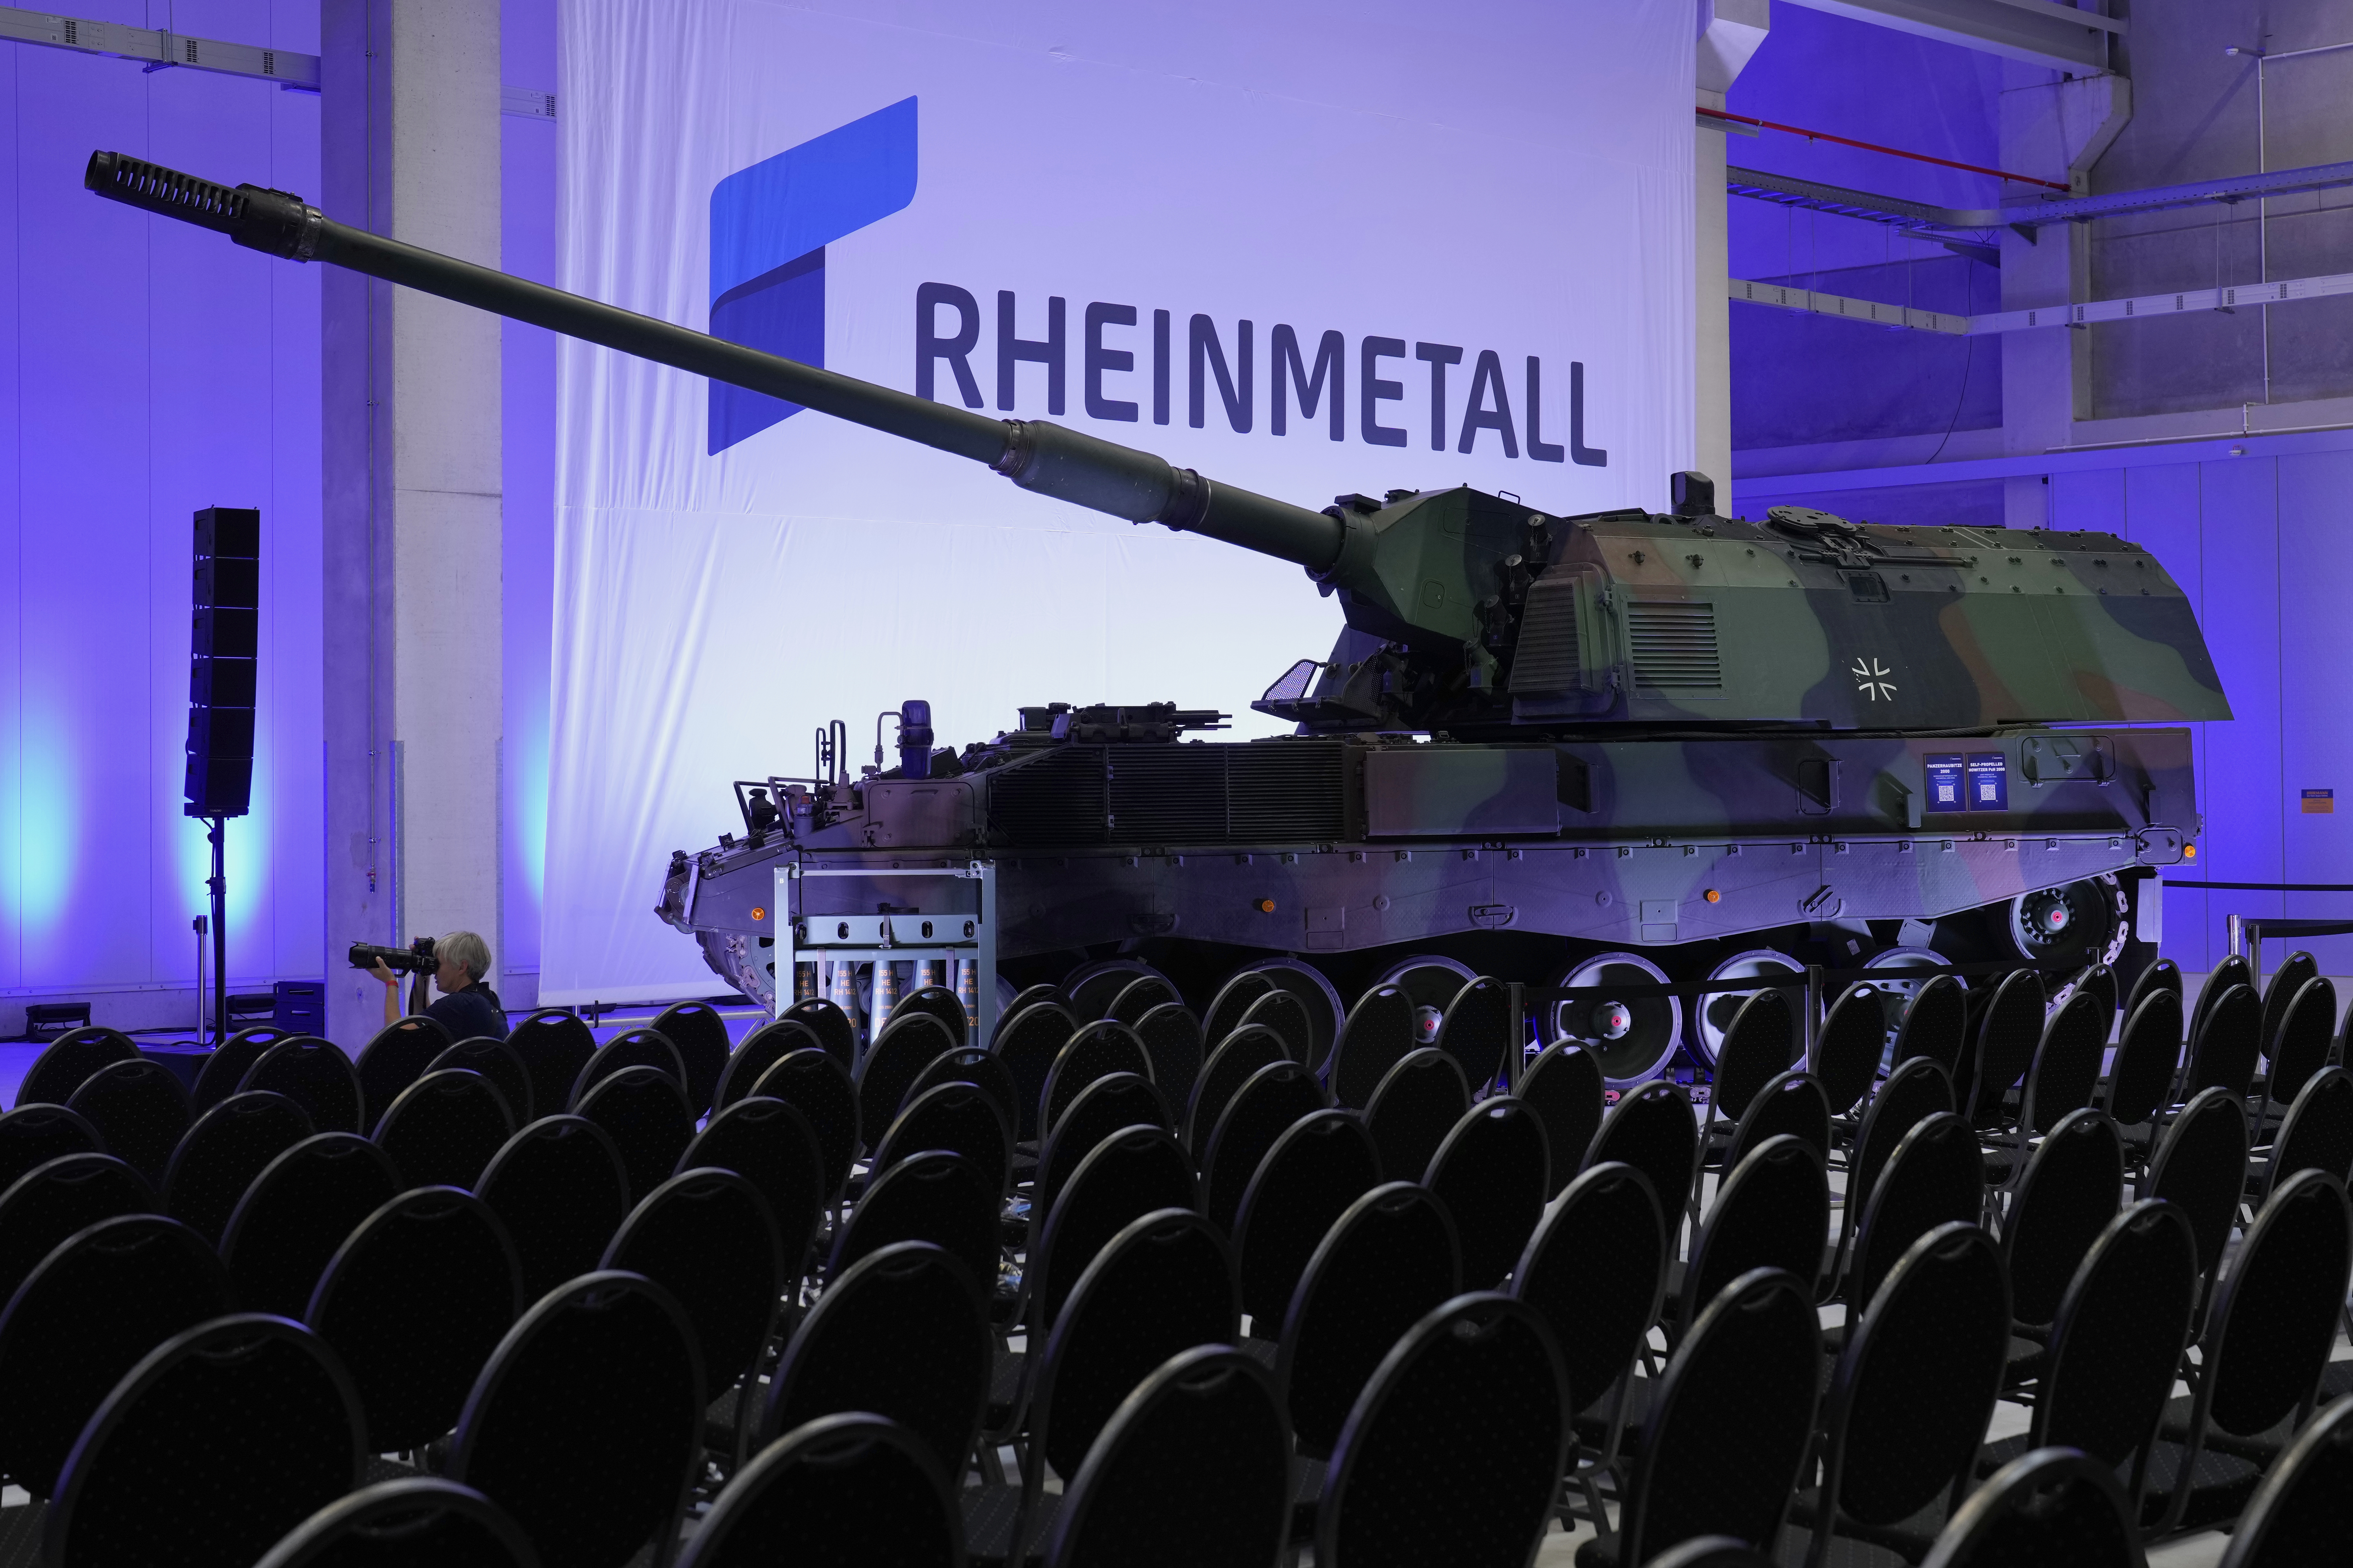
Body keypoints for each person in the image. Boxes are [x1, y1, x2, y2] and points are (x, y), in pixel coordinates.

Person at [371, 928, 509, 1041]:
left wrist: (390, 982)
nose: (435, 970)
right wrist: (422, 971)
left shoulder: (458, 1004)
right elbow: (424, 1024)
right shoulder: (485, 998)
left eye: (439, 964)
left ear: (462, 967)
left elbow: (396, 1033)